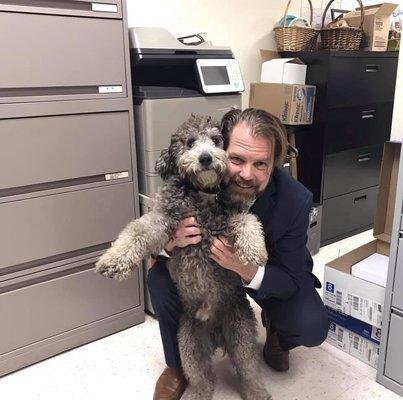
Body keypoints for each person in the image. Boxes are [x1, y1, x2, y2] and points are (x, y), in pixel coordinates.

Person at [148, 108, 329, 400]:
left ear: (275, 163)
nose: (246, 174)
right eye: (236, 159)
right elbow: (155, 236)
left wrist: (246, 270)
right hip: (206, 276)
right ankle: (177, 365)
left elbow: (292, 278)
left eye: (260, 164)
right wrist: (170, 242)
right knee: (158, 277)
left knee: (311, 325)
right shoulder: (199, 173)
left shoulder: (295, 201)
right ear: (221, 148)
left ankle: (277, 335)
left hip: (268, 273)